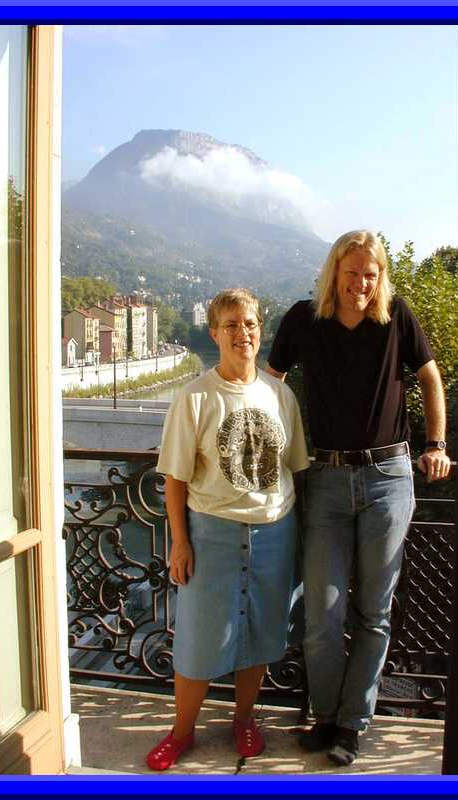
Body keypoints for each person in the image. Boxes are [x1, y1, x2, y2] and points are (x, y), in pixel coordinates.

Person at [266, 230, 451, 766]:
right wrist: (261, 448)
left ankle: (352, 723)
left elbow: (431, 377)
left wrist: (436, 444)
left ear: (380, 276)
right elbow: (270, 383)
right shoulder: (305, 318)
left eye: (371, 275)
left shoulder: (398, 318)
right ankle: (324, 716)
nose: (361, 285)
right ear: (334, 273)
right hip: (323, 476)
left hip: (389, 477)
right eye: (352, 274)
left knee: (374, 611)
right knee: (322, 613)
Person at [146, 288, 309, 771]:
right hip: (211, 535)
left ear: (262, 331)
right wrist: (180, 540)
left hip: (274, 534)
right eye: (232, 325)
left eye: (251, 324)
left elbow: (294, 471)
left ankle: (244, 720)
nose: (243, 333)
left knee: (258, 635)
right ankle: (181, 732)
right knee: (197, 637)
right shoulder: (194, 397)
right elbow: (174, 479)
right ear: (214, 332)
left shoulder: (282, 396)